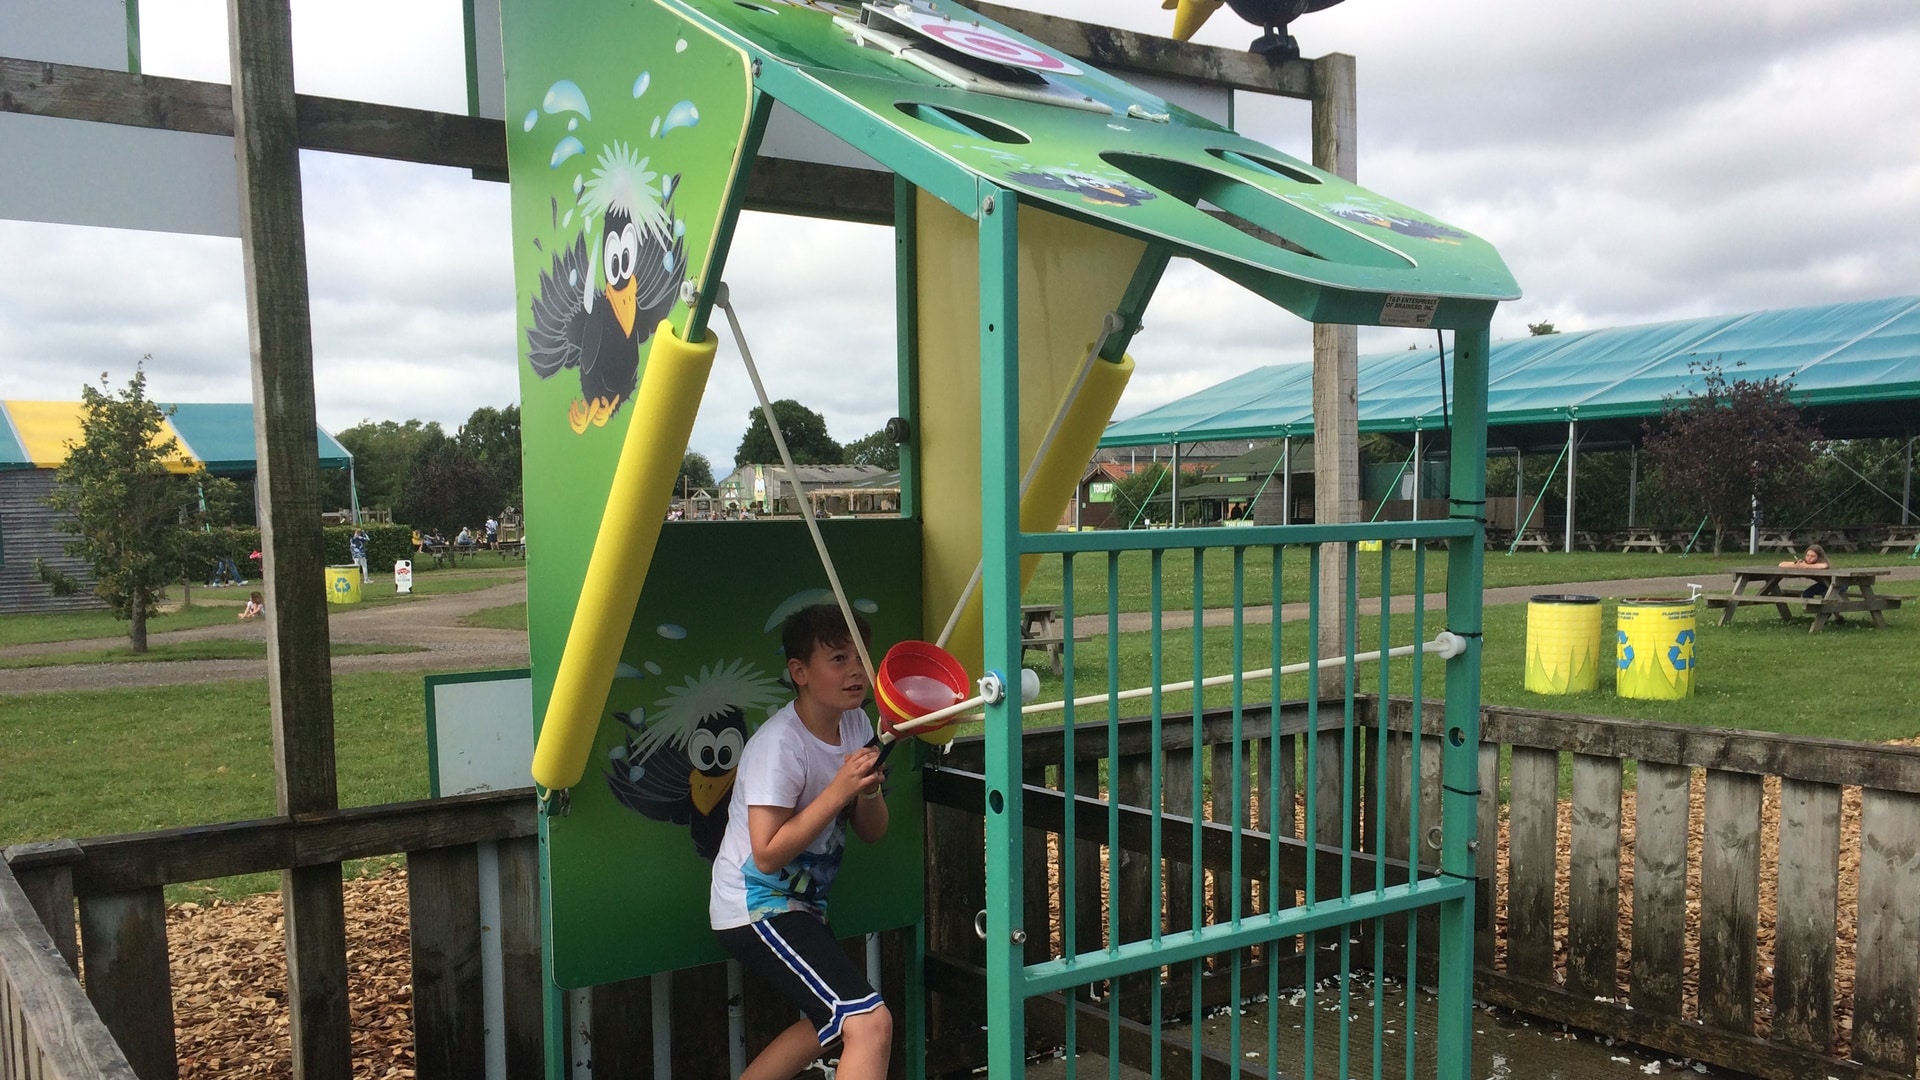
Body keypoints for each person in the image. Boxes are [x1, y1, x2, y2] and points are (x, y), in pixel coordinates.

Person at [710, 605, 891, 1080]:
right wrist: (838, 792)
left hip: (798, 905)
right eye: (837, 658)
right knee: (868, 1023)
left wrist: (867, 789)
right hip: (754, 903)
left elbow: (874, 831)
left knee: (831, 1025)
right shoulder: (780, 745)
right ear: (799, 672)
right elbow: (767, 853)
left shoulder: (855, 725)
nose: (855, 670)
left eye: (860, 656)